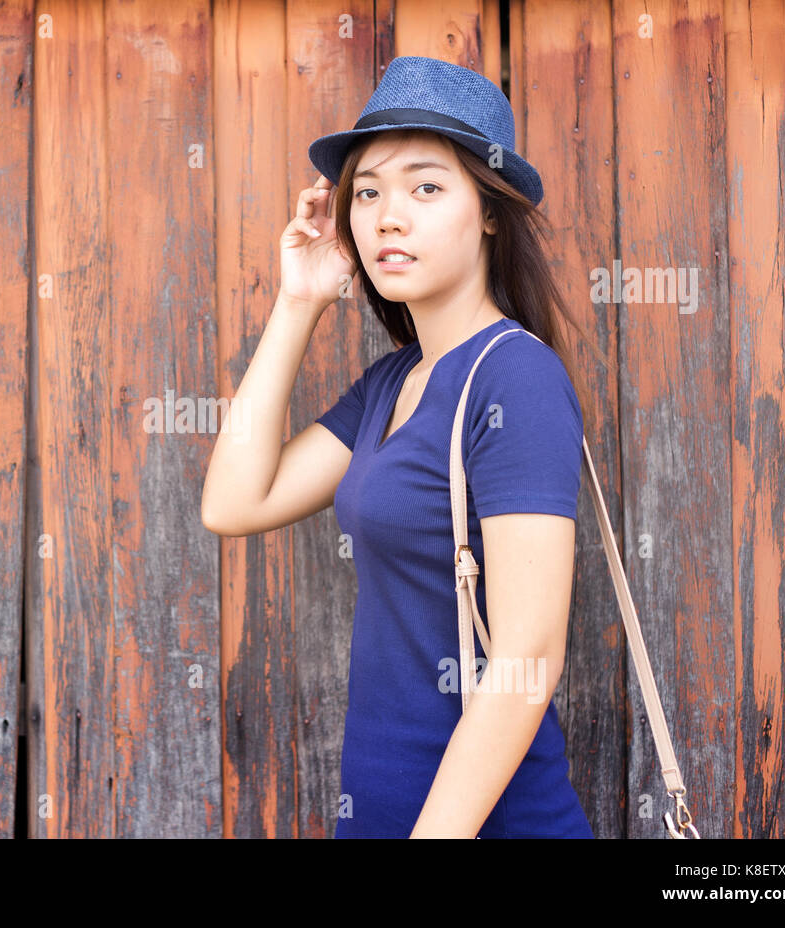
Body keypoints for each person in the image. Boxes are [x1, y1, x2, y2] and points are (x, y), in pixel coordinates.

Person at [201, 56, 606, 838]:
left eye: (426, 187)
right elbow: (232, 502)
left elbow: (530, 652)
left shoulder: (512, 378)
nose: (388, 216)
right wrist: (298, 302)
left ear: (490, 212)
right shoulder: (392, 383)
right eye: (368, 191)